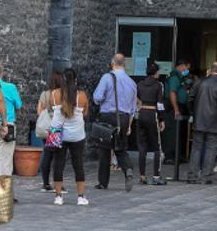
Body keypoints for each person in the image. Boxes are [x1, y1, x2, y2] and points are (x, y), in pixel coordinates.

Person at [93, 54, 137, 191]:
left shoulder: (107, 77)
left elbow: (97, 97)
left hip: (108, 116)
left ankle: (103, 182)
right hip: (123, 118)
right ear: (124, 65)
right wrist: (129, 125)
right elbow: (133, 108)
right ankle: (128, 170)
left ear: (112, 64)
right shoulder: (132, 82)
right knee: (121, 148)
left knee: (104, 150)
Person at [50, 68, 90, 206]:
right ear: (76, 80)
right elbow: (85, 113)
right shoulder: (82, 96)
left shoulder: (54, 94)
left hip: (57, 133)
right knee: (78, 165)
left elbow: (52, 108)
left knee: (58, 164)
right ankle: (80, 197)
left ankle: (58, 196)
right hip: (77, 134)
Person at [187, 62, 217, 184]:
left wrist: (193, 113)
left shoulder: (199, 82)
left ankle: (192, 175)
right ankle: (205, 176)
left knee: (196, 148)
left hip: (199, 120)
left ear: (211, 70)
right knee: (211, 149)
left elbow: (190, 98)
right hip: (215, 122)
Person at [0, 60, 22, 177]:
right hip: (6, 124)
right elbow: (18, 105)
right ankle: (4, 192)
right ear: (1, 73)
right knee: (5, 161)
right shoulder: (10, 87)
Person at [137, 62, 167, 185]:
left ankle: (142, 176)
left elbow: (136, 99)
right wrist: (162, 119)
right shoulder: (158, 85)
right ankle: (156, 176)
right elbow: (160, 104)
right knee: (156, 147)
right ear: (155, 73)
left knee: (142, 146)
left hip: (141, 113)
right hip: (152, 114)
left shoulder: (140, 84)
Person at [38, 71, 66, 192]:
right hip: (57, 128)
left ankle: (45, 183)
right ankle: (58, 184)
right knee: (58, 157)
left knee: (47, 155)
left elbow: (39, 111)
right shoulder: (62, 94)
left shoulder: (45, 94)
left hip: (46, 129)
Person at [163, 60, 193, 165]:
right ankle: (170, 156)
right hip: (173, 108)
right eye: (186, 67)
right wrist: (176, 109)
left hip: (180, 106)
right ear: (181, 66)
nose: (187, 70)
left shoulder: (180, 77)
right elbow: (172, 93)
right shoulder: (174, 77)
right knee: (172, 132)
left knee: (179, 132)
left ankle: (178, 155)